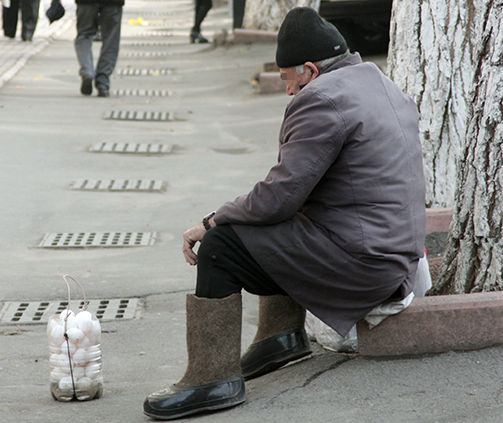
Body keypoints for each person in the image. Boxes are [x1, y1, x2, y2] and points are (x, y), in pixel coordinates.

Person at [143, 7, 426, 420]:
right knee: (269, 224)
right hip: (397, 260)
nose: (287, 89)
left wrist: (211, 221)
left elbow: (278, 198)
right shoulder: (378, 82)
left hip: (367, 266)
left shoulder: (321, 98)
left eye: (286, 78)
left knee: (223, 244)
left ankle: (210, 379)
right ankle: (280, 339)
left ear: (309, 70)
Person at [74, 0, 123, 97]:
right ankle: (103, 82)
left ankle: (87, 70)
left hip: (86, 3)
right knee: (111, 39)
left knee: (84, 35)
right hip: (113, 3)